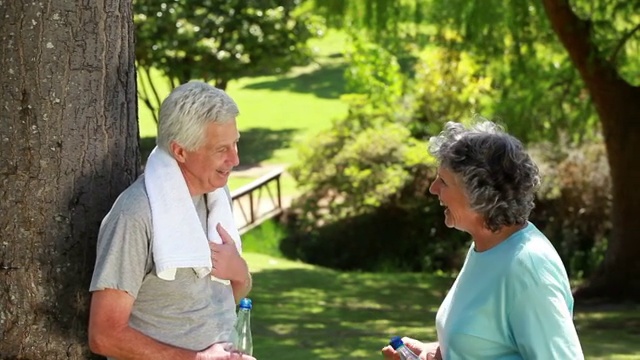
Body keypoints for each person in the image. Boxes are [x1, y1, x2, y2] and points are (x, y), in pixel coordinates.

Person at [382, 120, 584, 360]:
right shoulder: (487, 248)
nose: (433, 189)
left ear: (479, 193)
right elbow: (489, 345)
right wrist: (435, 353)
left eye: (444, 181)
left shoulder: (528, 268)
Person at [88, 81, 255, 360]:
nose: (235, 159)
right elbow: (104, 335)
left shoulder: (215, 196)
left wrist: (239, 270)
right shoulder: (135, 215)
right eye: (221, 149)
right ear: (180, 151)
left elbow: (221, 302)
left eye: (235, 143)